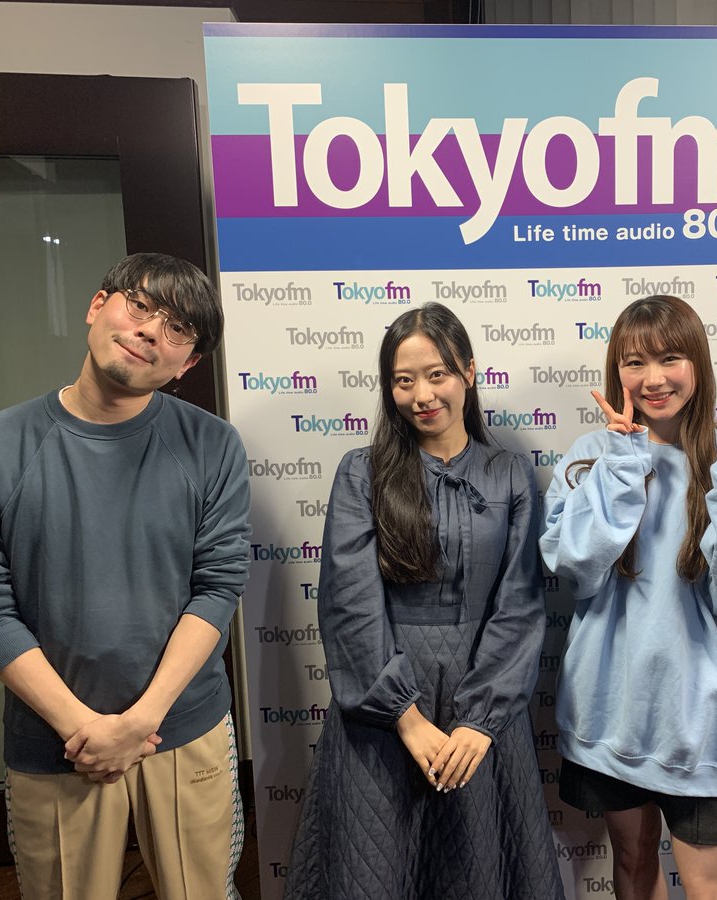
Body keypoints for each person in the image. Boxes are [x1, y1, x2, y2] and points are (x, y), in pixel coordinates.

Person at [0, 253, 251, 899]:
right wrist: (82, 727)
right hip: (56, 740)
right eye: (140, 305)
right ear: (96, 305)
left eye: (176, 329)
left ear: (186, 365)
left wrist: (141, 721)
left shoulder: (213, 445)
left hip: (184, 724)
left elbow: (219, 586)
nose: (149, 331)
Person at [284, 302, 562, 900]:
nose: (422, 395)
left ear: (468, 372)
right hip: (381, 713)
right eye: (403, 381)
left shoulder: (510, 473)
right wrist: (405, 720)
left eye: (437, 375)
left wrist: (480, 723)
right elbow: (350, 606)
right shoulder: (362, 472)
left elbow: (519, 603)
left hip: (480, 712)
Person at [540, 295, 717, 900]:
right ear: (617, 371)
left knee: (711, 883)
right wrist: (620, 468)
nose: (653, 379)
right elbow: (577, 569)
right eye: (635, 362)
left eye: (670, 358)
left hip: (697, 716)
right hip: (609, 707)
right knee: (632, 860)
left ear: (698, 364)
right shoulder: (589, 455)